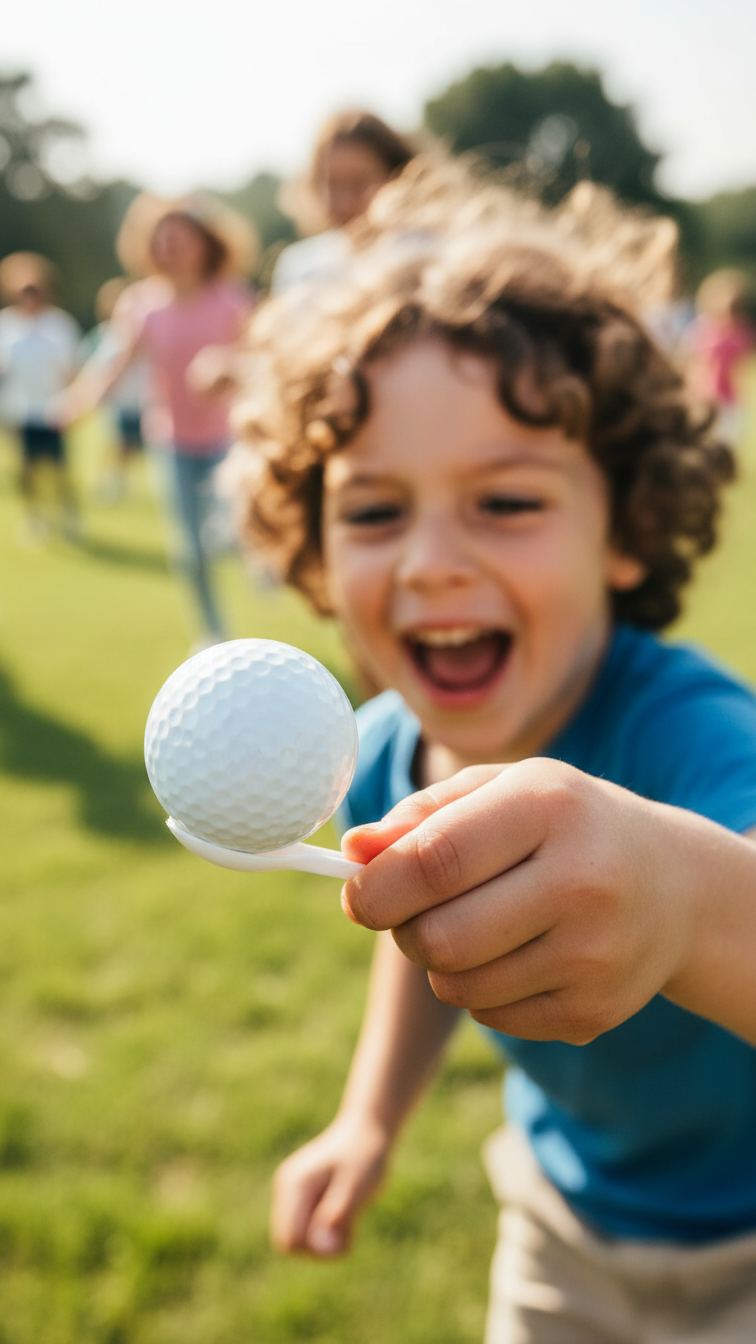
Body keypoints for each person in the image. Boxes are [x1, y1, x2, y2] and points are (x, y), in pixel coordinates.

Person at [229, 159, 756, 1342]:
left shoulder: (683, 729)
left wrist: (678, 889)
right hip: (561, 1231)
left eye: (506, 503)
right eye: (373, 511)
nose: (428, 563)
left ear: (623, 529)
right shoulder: (375, 753)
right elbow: (420, 922)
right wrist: (369, 1119)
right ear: (312, 544)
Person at [64, 194, 257, 645]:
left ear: (204, 243)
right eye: (161, 240)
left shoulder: (231, 299)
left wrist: (229, 369)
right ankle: (210, 630)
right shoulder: (141, 305)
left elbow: (260, 361)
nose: (170, 248)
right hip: (171, 441)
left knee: (235, 525)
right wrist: (80, 402)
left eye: (180, 238)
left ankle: (254, 556)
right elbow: (114, 363)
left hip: (228, 437)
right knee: (189, 550)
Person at [271, 110, 415, 295]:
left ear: (397, 177)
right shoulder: (299, 271)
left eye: (359, 182)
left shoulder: (429, 256)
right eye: (332, 184)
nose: (344, 202)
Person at [0, 252, 80, 541]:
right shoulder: (6, 325)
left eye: (34, 291)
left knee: (59, 469)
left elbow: (70, 371)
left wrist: (74, 404)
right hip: (19, 410)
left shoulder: (60, 325)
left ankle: (69, 517)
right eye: (24, 292)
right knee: (26, 470)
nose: (29, 298)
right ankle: (36, 518)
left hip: (53, 409)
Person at [76, 277, 152, 502]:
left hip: (143, 400)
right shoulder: (106, 334)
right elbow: (93, 365)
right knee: (117, 444)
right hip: (117, 401)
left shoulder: (147, 331)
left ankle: (118, 480)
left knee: (134, 447)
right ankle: (111, 481)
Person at [688, 267, 755, 447]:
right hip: (706, 396)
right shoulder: (704, 329)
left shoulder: (742, 333)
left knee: (727, 446)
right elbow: (694, 362)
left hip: (730, 398)